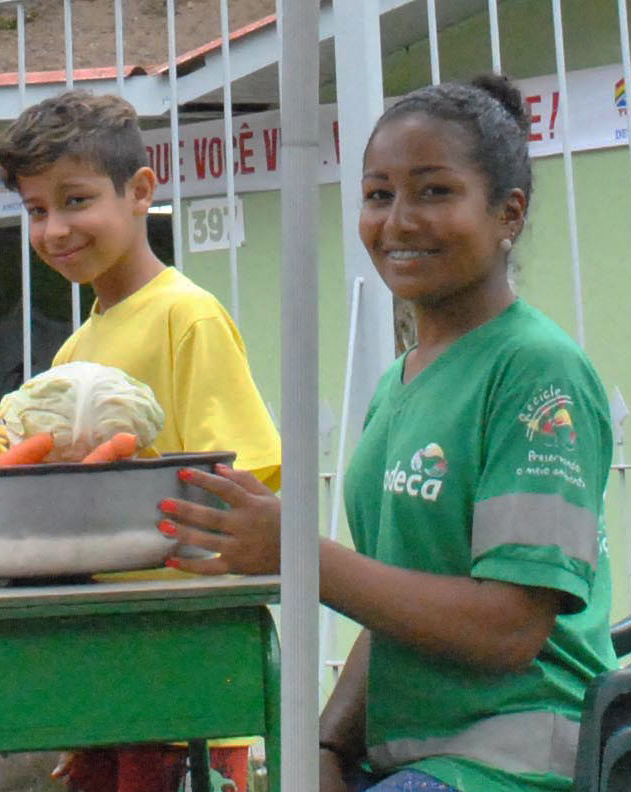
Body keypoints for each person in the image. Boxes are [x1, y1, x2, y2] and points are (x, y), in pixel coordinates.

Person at [162, 76, 617, 792]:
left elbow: (508, 627)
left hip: (514, 765)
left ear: (509, 214)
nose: (399, 221)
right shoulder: (399, 383)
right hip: (410, 761)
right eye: (379, 195)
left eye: (434, 192)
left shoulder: (537, 373)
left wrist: (297, 554)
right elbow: (397, 604)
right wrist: (326, 747)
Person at [0, 89, 282, 792]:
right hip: (104, 664)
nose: (55, 228)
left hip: (189, 670)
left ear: (140, 192)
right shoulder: (75, 356)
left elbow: (247, 475)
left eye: (75, 200)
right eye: (36, 210)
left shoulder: (188, 317)